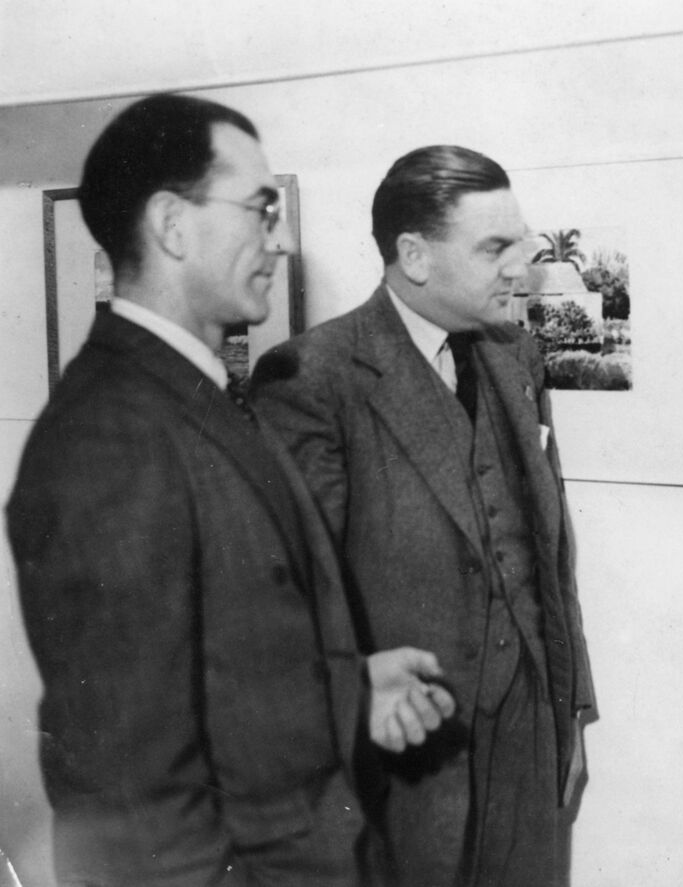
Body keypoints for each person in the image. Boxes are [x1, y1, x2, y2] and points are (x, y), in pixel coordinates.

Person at [6, 94, 454, 887]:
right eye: (260, 209)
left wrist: (345, 686)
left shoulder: (197, 395)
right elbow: (129, 795)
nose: (279, 239)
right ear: (174, 225)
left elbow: (228, 655)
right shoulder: (110, 437)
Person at [251, 145, 596, 887]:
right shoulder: (313, 378)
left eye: (523, 242)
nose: (522, 266)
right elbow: (283, 599)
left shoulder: (515, 358)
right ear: (414, 254)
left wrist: (567, 713)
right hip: (404, 756)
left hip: (526, 731)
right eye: (495, 247)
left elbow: (546, 552)